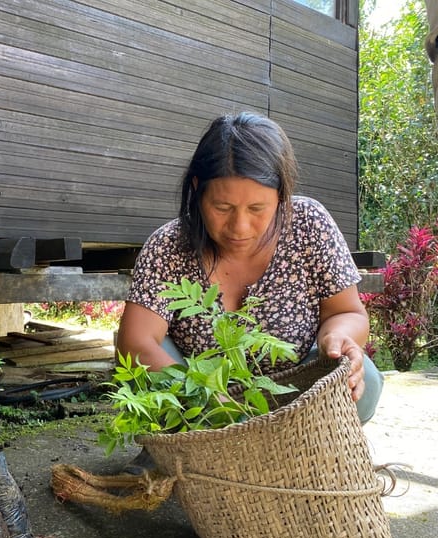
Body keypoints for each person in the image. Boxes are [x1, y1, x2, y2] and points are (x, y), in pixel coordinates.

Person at [116, 112, 383, 435]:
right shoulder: (168, 245)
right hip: (199, 403)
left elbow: (347, 311)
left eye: (257, 209)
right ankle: (185, 449)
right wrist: (202, 393)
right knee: (145, 374)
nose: (239, 227)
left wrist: (338, 336)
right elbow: (136, 342)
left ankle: (295, 443)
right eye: (223, 208)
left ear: (281, 195)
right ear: (198, 190)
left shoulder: (310, 224)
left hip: (292, 392)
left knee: (362, 380)